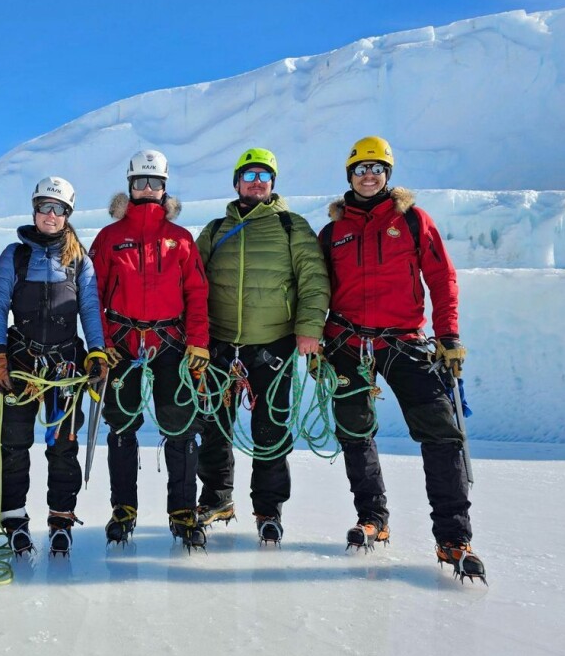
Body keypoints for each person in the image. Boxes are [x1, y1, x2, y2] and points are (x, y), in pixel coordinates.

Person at [318, 135, 485, 582]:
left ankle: (453, 535)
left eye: (376, 168)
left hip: (405, 341)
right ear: (349, 176)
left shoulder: (412, 221)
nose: (368, 175)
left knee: (440, 429)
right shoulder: (333, 231)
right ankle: (373, 518)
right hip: (348, 343)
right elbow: (315, 291)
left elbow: (441, 276)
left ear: (388, 175)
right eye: (360, 169)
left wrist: (447, 334)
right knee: (355, 431)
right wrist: (315, 338)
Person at [195, 147, 329, 544]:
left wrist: (309, 329)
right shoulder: (215, 229)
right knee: (214, 426)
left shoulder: (292, 226)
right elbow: (192, 282)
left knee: (270, 429)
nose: (256, 182)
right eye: (249, 174)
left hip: (273, 345)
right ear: (237, 182)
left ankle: (268, 508)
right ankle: (217, 498)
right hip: (220, 344)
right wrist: (195, 337)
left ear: (273, 185)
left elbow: (313, 280)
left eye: (264, 176)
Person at [89, 150, 211, 550]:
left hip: (171, 343)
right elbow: (94, 296)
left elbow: (196, 292)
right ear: (129, 186)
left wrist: (198, 342)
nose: (147, 189)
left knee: (180, 429)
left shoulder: (180, 238)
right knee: (121, 427)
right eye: (140, 182)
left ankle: (182, 511)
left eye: (154, 183)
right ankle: (123, 509)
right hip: (123, 344)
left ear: (164, 188)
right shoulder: (109, 238)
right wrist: (102, 344)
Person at [0, 177, 108, 557]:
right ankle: (14, 520)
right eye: (45, 207)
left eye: (59, 209)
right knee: (14, 445)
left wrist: (97, 352)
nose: (50, 215)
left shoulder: (79, 260)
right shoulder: (14, 255)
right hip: (21, 363)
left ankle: (61, 519)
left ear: (67, 214)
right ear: (35, 209)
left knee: (62, 447)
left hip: (64, 368)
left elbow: (89, 308)